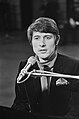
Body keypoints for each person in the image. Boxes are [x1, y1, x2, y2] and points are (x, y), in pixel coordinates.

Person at [11, 17, 79, 118]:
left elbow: (76, 110)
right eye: (37, 38)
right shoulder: (25, 67)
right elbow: (20, 104)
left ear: (57, 40)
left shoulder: (74, 66)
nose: (42, 44)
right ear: (31, 42)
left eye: (47, 38)